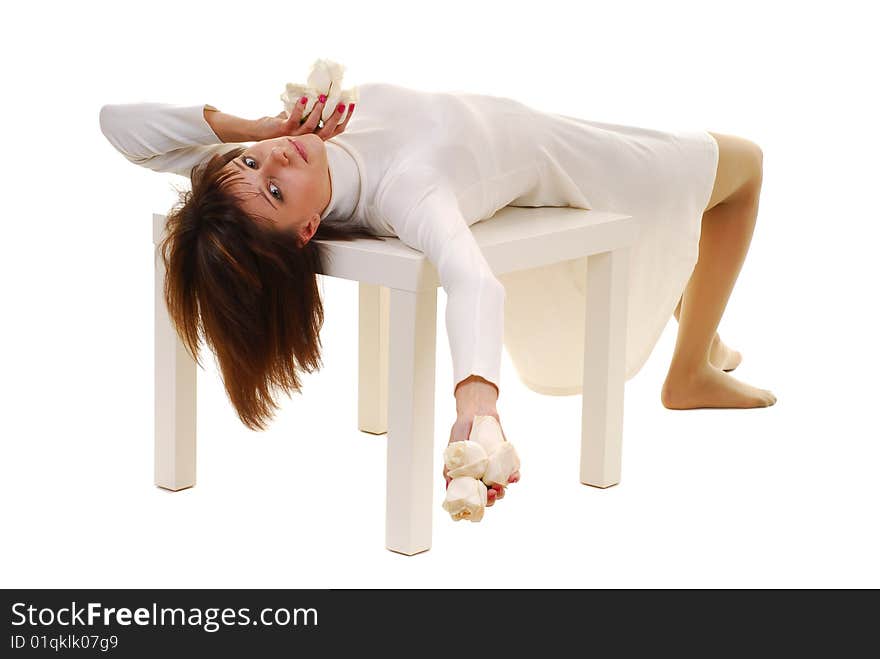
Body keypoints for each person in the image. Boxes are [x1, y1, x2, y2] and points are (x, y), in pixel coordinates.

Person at [99, 82, 775, 509]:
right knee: (743, 168)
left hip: (544, 119)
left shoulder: (292, 142)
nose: (275, 159)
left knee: (691, 220)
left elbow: (115, 124)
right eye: (273, 188)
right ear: (307, 231)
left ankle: (703, 335)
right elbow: (471, 279)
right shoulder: (409, 191)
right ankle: (690, 370)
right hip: (583, 161)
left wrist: (251, 129)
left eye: (252, 163)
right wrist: (475, 409)